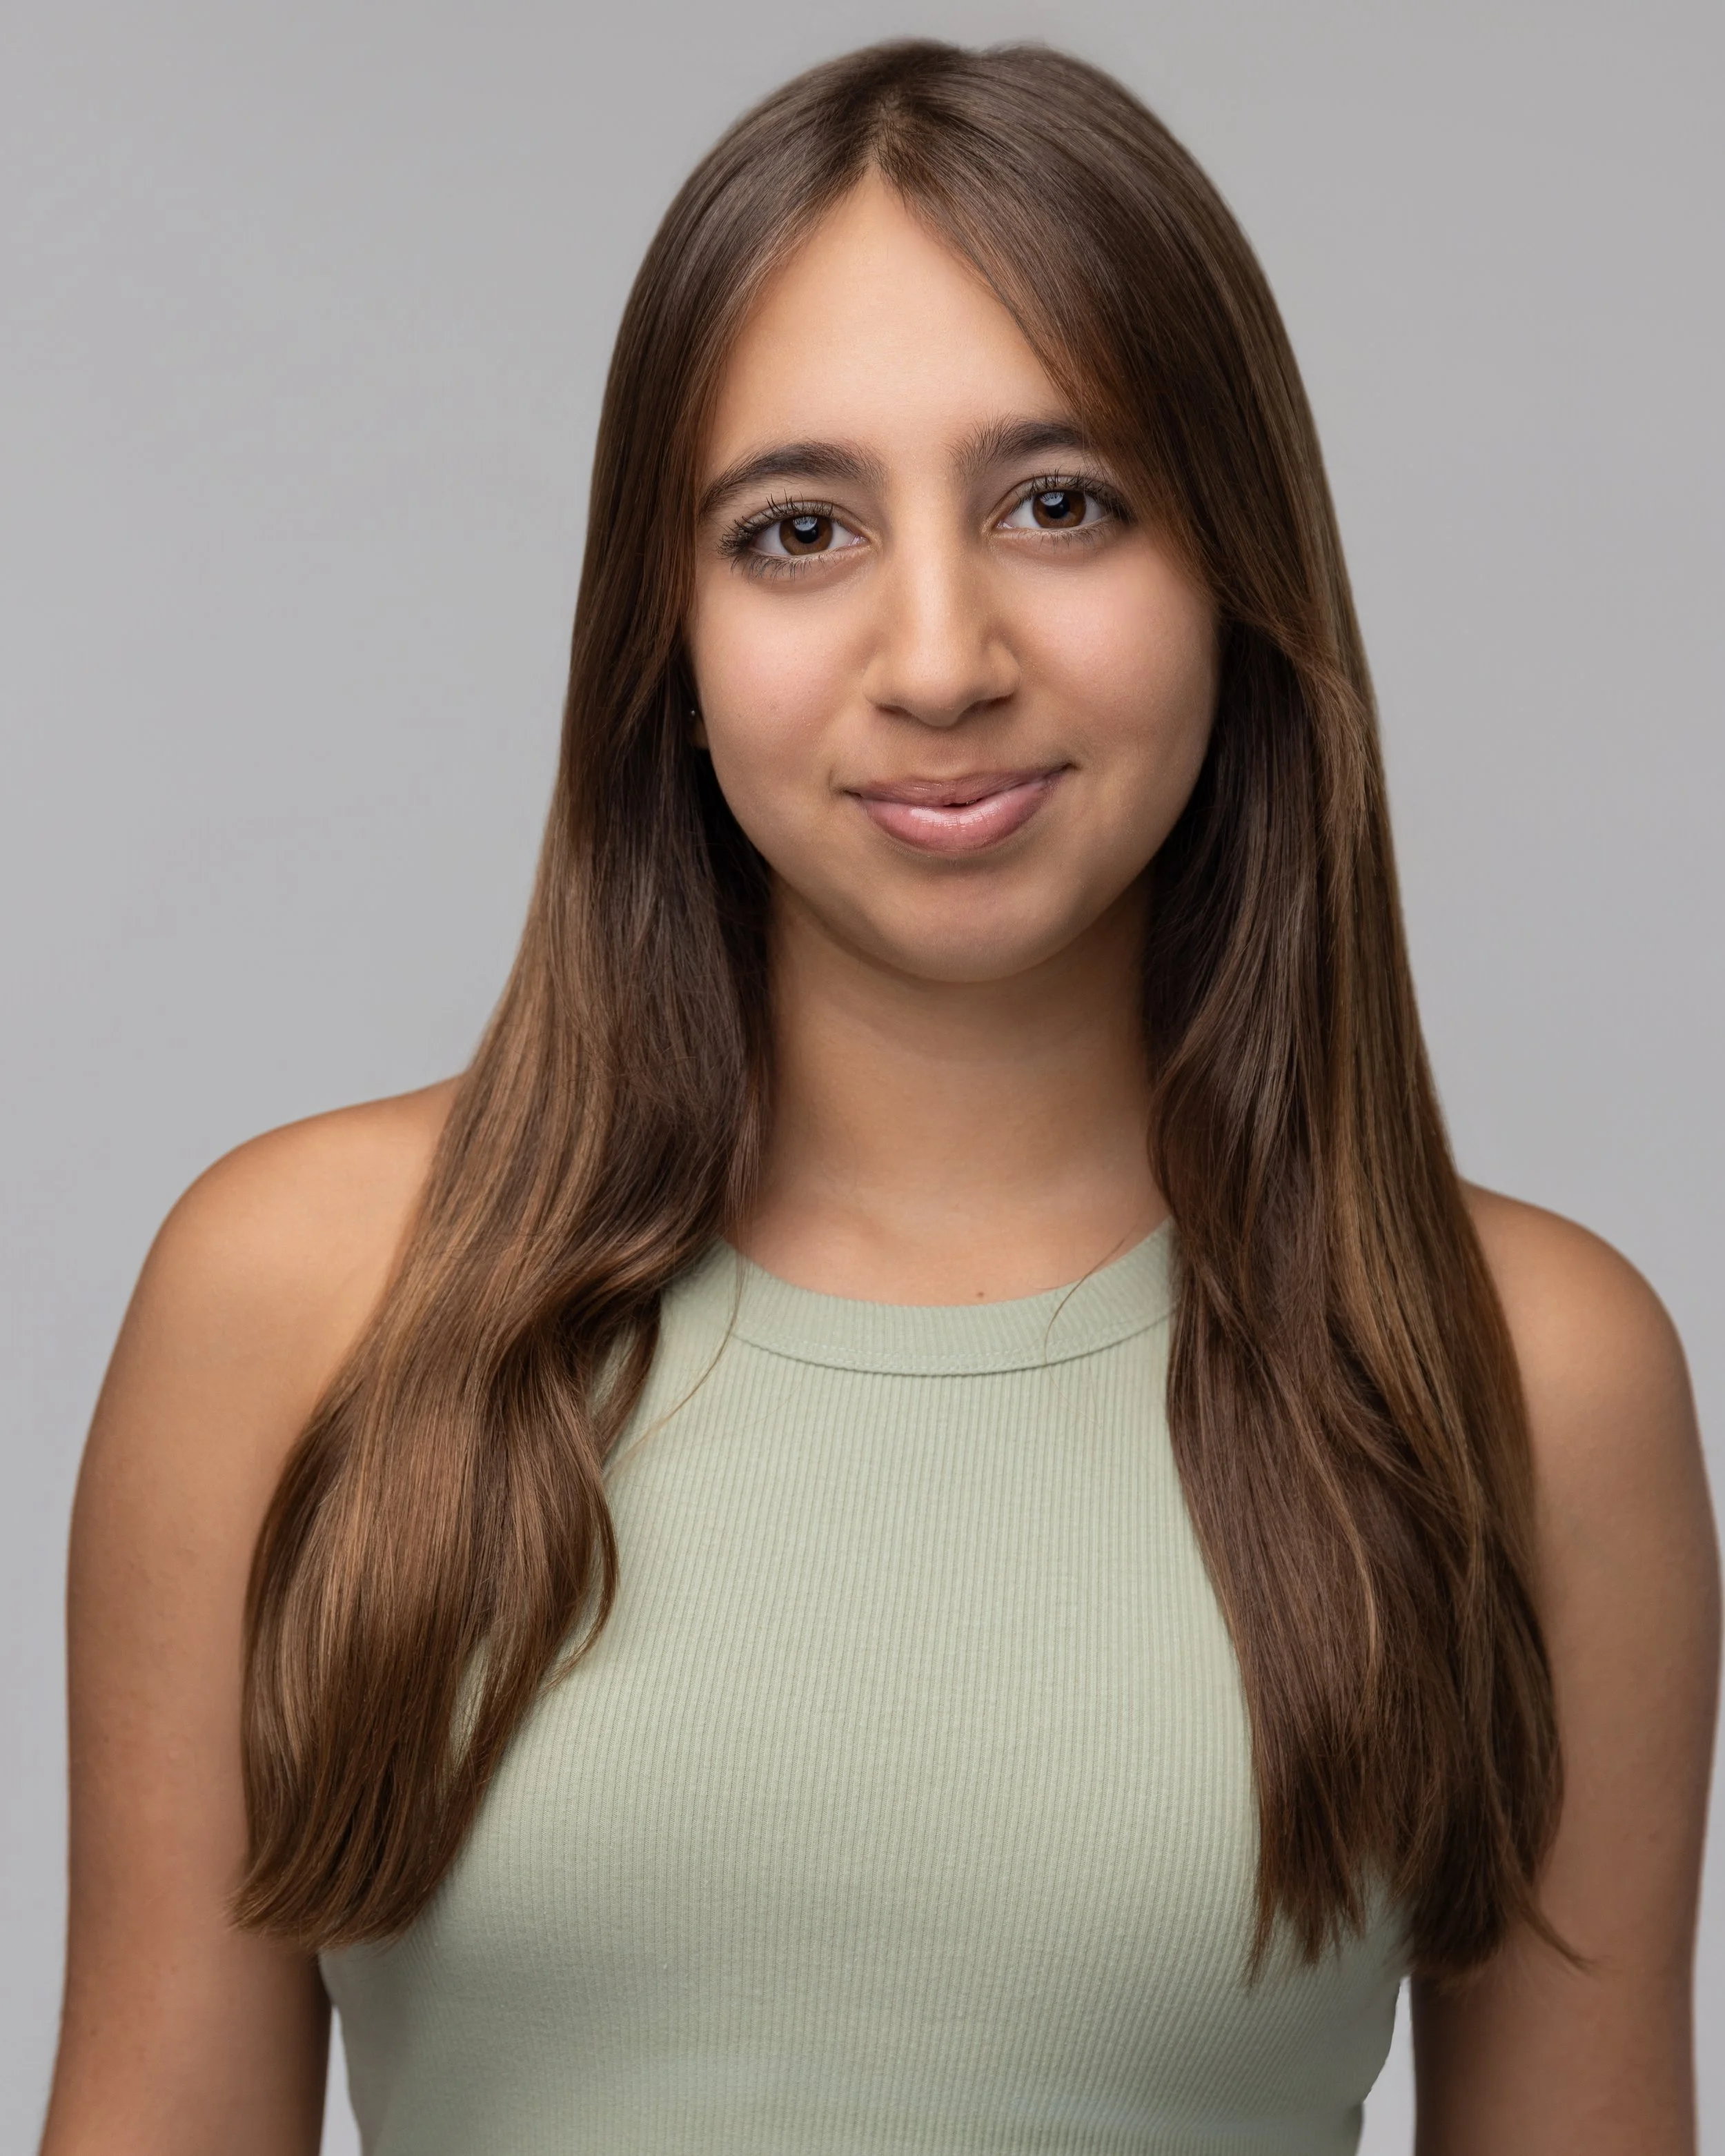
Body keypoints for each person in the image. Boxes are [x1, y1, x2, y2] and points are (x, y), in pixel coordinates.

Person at [41, 39, 1717, 2156]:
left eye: (1061, 502)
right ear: (667, 620)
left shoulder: (1524, 1374)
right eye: (798, 528)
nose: (938, 656)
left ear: (1235, 567)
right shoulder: (295, 1299)